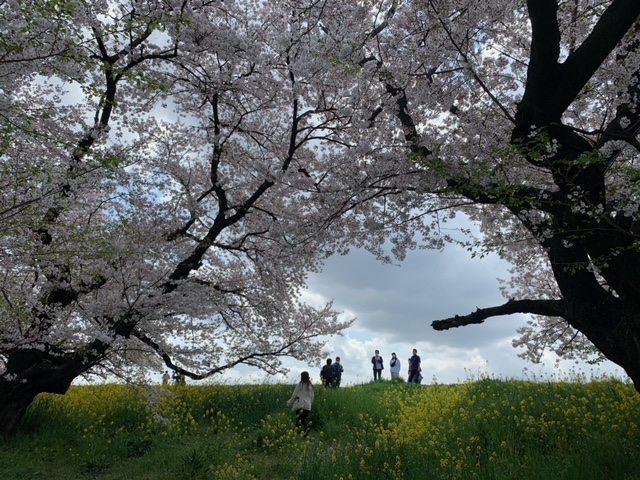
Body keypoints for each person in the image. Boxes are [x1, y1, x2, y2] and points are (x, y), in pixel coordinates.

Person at [287, 371, 314, 435]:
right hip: (308, 406)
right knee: (302, 419)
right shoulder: (310, 385)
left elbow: (294, 395)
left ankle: (300, 432)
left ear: (302, 377)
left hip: (300, 405)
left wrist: (289, 403)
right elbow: (312, 397)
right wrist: (310, 404)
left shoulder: (300, 384)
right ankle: (304, 432)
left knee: (299, 420)